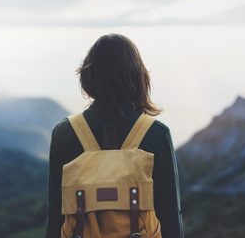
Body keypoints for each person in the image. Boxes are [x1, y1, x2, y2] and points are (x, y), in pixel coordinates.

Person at [44, 33, 184, 238]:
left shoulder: (65, 134)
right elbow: (171, 217)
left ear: (88, 75)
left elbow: (55, 218)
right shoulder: (156, 134)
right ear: (137, 75)